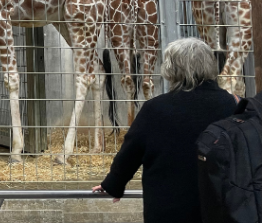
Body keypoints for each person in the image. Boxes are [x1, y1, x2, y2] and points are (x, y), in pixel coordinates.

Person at [92, 37, 237, 223]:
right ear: (210, 65)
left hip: (168, 210)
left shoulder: (155, 109)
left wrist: (113, 183)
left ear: (170, 69)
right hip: (223, 208)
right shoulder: (234, 105)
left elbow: (131, 152)